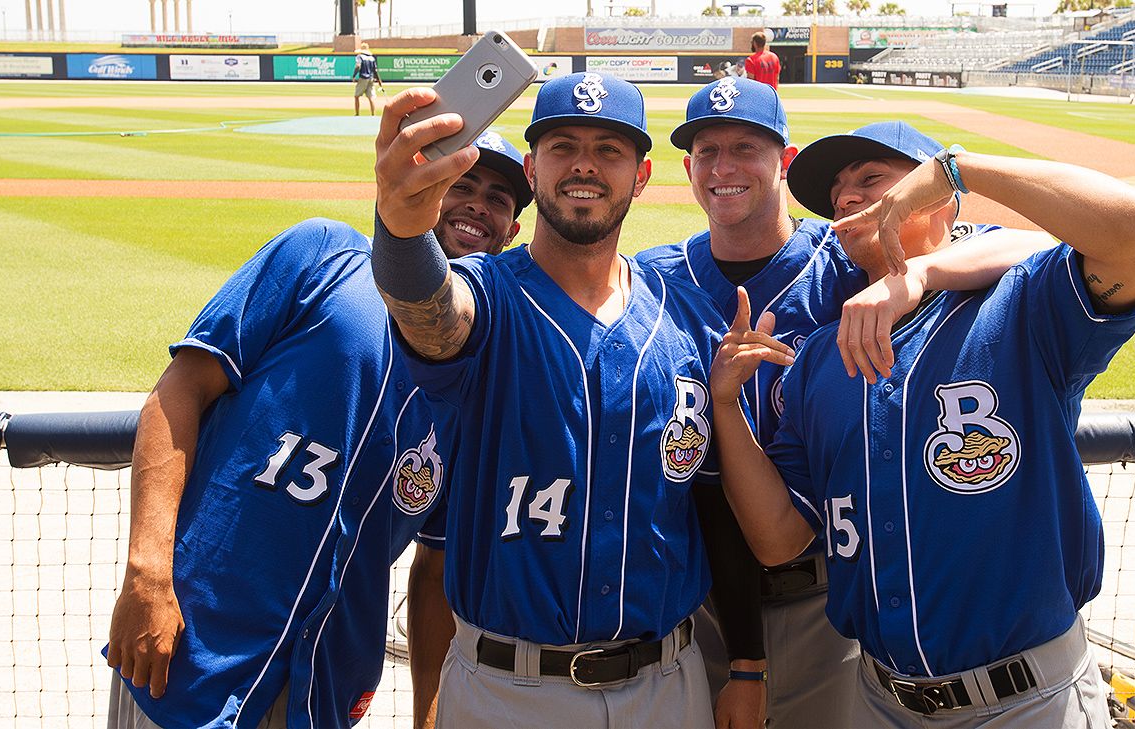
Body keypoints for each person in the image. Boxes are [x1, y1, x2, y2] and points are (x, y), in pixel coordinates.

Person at [708, 121, 1135, 725]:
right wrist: (725, 406)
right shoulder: (818, 361)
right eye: (838, 193)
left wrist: (961, 169)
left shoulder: (1022, 306)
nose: (847, 197)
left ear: (940, 199)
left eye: (872, 179)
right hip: (877, 700)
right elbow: (776, 540)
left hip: (1028, 700)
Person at [371, 72, 788, 728]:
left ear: (643, 176)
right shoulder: (488, 298)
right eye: (563, 146)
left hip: (668, 686)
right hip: (508, 692)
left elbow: (710, 503)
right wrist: (400, 229)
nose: (585, 164)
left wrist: (746, 662)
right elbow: (429, 313)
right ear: (533, 170)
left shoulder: (686, 319)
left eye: (610, 149)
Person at [640, 80, 1059, 729]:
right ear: (689, 169)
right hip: (697, 601)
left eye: (746, 147)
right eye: (706, 151)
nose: (723, 168)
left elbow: (1029, 247)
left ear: (783, 158)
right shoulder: (653, 278)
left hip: (828, 596)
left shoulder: (849, 257)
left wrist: (915, 273)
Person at [104, 131, 530, 729]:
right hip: (192, 644)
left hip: (326, 679)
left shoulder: (482, 370)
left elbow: (433, 571)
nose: (479, 204)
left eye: (499, 198)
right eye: (462, 184)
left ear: (511, 232)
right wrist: (146, 574)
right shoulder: (322, 252)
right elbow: (178, 391)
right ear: (426, 187)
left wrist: (428, 716)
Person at [353, 41, 384, 116]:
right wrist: (379, 81)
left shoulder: (360, 56)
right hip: (371, 79)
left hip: (363, 78)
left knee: (357, 96)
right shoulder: (372, 58)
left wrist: (354, 75)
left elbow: (358, 66)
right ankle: (373, 114)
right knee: (371, 97)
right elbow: (375, 70)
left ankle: (357, 114)